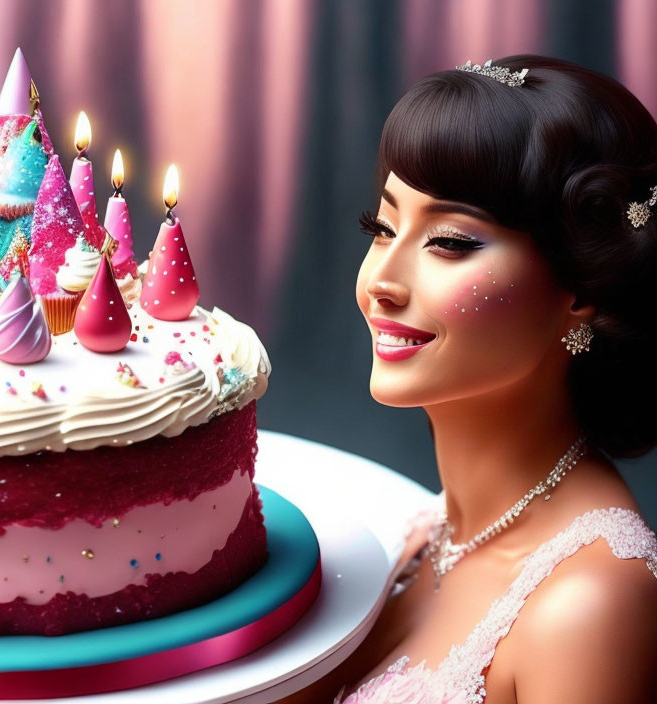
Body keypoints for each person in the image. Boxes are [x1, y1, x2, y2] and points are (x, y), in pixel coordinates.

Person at [279, 55, 657, 704]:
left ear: (580, 289)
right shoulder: (427, 533)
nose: (384, 284)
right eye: (384, 228)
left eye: (450, 242)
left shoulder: (590, 602)